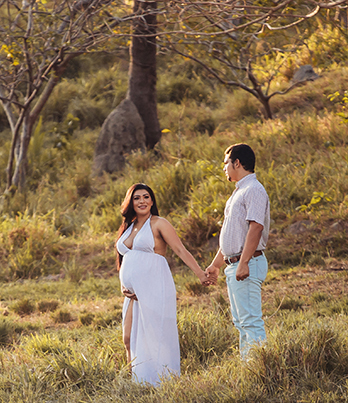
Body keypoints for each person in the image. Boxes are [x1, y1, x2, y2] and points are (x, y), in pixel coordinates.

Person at [116, 183, 214, 385]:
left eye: (146, 197)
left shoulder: (159, 223)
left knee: (155, 334)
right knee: (128, 337)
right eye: (137, 198)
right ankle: (134, 381)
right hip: (133, 293)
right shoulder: (129, 226)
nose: (142, 201)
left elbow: (180, 250)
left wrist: (200, 274)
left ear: (152, 201)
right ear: (130, 202)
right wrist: (124, 285)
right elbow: (126, 259)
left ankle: (163, 380)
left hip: (154, 285)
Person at [205, 143, 271, 360]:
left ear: (237, 163)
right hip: (235, 263)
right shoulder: (238, 193)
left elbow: (256, 227)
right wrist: (216, 265)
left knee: (250, 320)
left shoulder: (254, 190)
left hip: (248, 263)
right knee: (240, 321)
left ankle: (259, 368)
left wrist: (243, 262)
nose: (224, 168)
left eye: (226, 163)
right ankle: (248, 366)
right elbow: (231, 234)